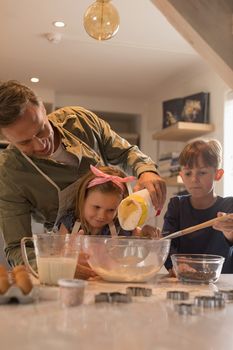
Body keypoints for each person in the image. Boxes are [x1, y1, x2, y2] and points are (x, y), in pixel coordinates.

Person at [0, 80, 166, 267]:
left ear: (43, 110)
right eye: (24, 143)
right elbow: (17, 248)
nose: (41, 145)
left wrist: (147, 171)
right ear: (8, 139)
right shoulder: (9, 174)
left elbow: (125, 152)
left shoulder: (79, 121)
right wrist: (57, 264)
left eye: (41, 129)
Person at [58, 164, 159, 279]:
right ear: (83, 199)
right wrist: (68, 253)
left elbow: (141, 237)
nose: (102, 216)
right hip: (77, 282)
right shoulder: (69, 224)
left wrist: (146, 233)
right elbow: (57, 256)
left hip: (110, 282)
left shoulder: (119, 225)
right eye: (96, 207)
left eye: (111, 210)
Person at [163, 139, 233, 274]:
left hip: (223, 284)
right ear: (182, 176)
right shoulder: (176, 206)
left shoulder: (229, 206)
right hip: (184, 280)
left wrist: (229, 233)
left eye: (202, 172)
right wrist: (176, 265)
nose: (194, 179)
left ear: (218, 174)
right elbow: (167, 244)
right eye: (188, 173)